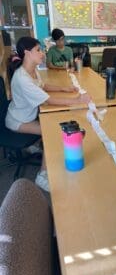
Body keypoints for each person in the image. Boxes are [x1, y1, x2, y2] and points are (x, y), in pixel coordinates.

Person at [5, 36, 91, 192]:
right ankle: (42, 176)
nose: (42, 53)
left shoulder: (31, 70)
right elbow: (48, 100)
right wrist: (78, 100)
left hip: (26, 116)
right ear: (27, 53)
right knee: (50, 132)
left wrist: (62, 88)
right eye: (38, 50)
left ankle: (34, 147)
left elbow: (43, 86)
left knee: (50, 122)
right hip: (18, 121)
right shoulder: (22, 78)